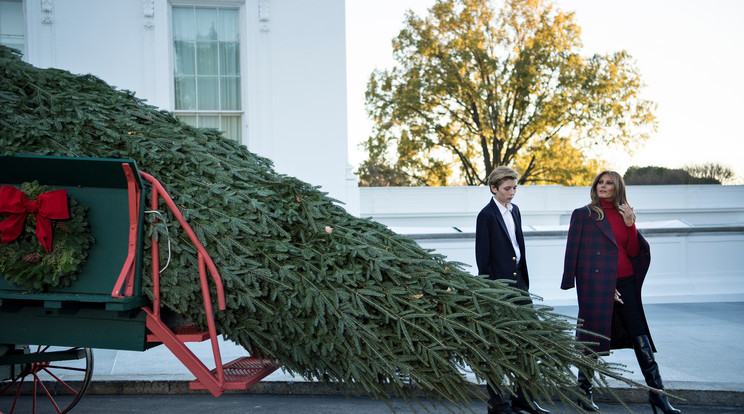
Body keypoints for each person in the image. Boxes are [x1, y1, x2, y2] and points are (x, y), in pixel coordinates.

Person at [561, 171, 681, 414]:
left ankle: (658, 395)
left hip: (626, 283)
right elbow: (575, 254)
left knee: (641, 336)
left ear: (618, 189)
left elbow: (634, 251)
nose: (603, 186)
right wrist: (596, 284)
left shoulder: (625, 214)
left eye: (609, 183)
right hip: (597, 285)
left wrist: (631, 224)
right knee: (591, 340)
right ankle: (583, 394)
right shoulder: (583, 214)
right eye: (601, 182)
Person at [476, 166, 550, 414]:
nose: (512, 193)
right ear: (494, 188)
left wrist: (524, 282)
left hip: (520, 284)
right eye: (507, 189)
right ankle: (497, 403)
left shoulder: (515, 211)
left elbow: (517, 245)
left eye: (515, 188)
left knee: (528, 338)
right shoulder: (485, 216)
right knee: (498, 344)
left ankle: (524, 398)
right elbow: (483, 258)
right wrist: (490, 291)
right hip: (498, 287)